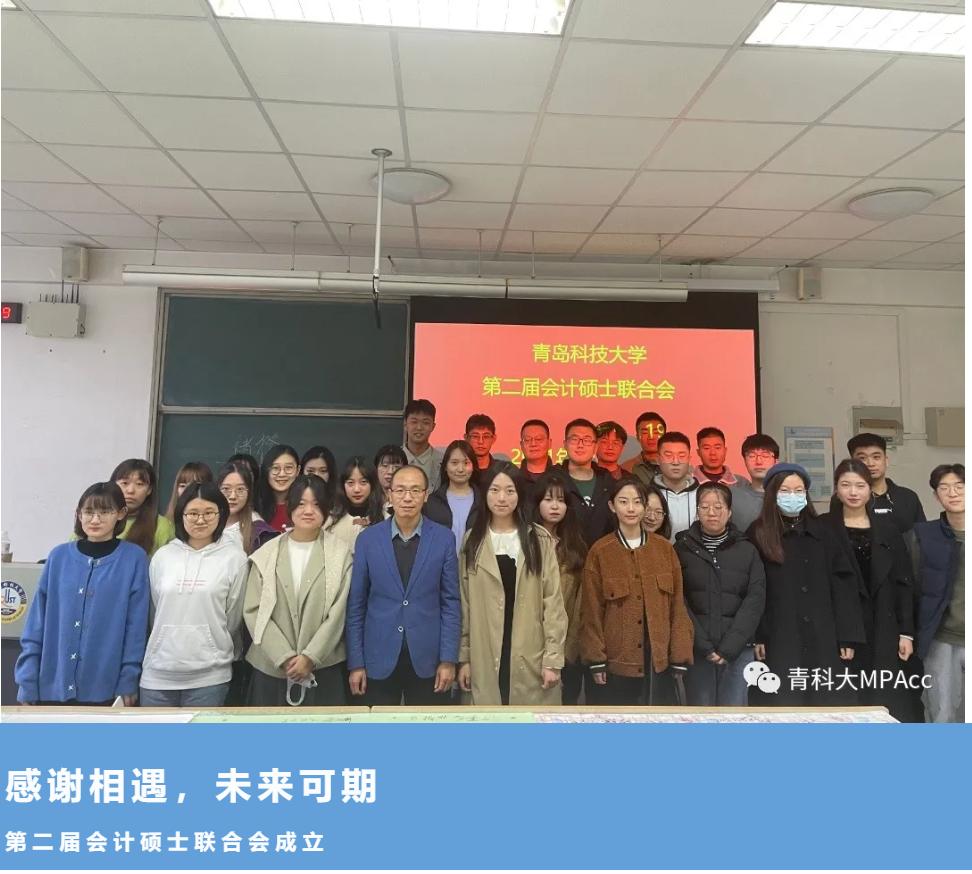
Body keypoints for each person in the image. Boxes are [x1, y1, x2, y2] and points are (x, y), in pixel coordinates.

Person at [16, 482, 149, 705]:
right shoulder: (58, 557)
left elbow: (136, 627)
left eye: (104, 512)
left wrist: (128, 678)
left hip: (106, 687)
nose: (95, 519)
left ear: (120, 513)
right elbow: (36, 624)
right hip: (51, 685)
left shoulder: (134, 559)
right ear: (78, 514)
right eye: (88, 512)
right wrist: (26, 679)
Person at [749, 463, 865, 706]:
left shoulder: (825, 531)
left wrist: (847, 636)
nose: (792, 496)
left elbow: (844, 586)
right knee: (783, 701)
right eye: (785, 491)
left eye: (798, 490)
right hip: (779, 635)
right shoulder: (757, 533)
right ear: (772, 495)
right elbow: (753, 590)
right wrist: (758, 635)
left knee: (826, 702)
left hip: (824, 634)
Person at [346, 465, 460, 705]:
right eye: (400, 490)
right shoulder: (368, 539)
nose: (407, 497)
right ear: (389, 494)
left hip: (428, 659)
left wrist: (448, 660)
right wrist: (356, 663)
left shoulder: (444, 539)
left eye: (415, 490)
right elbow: (356, 604)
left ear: (426, 495)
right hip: (378, 655)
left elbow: (450, 603)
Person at [457, 467, 567, 706]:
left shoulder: (539, 539)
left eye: (509, 491)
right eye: (495, 490)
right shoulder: (472, 540)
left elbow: (553, 603)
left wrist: (552, 659)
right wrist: (465, 658)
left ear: (520, 494)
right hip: (484, 649)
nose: (502, 498)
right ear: (485, 494)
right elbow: (465, 604)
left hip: (531, 649)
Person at [581, 477, 693, 705]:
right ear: (612, 506)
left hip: (658, 661)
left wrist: (679, 655)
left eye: (637, 502)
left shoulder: (664, 549)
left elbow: (677, 606)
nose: (631, 508)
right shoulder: (600, 551)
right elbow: (591, 610)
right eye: (623, 502)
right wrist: (596, 659)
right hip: (617, 662)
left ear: (644, 506)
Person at [819, 459, 916, 720]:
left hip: (883, 624)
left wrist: (906, 632)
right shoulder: (822, 528)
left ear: (870, 489)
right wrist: (842, 634)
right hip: (839, 627)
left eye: (860, 485)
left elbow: (903, 582)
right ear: (836, 488)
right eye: (846, 485)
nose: (853, 492)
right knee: (844, 699)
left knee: (883, 697)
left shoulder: (888, 529)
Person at [244, 475, 352, 706]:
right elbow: (254, 610)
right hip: (270, 667)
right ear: (290, 506)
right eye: (301, 504)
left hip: (323, 666)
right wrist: (284, 656)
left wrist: (310, 657)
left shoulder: (341, 554)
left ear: (327, 508)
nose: (308, 511)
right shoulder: (266, 554)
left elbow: (339, 612)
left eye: (316, 504)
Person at [140, 482, 248, 707]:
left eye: (209, 513)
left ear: (221, 514)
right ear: (181, 515)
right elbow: (155, 611)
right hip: (158, 673)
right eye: (193, 513)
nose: (200, 520)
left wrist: (211, 643)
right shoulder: (163, 556)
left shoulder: (234, 558)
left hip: (210, 675)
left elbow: (233, 617)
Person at [675, 483, 765, 706]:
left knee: (734, 716)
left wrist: (730, 647)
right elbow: (678, 601)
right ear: (697, 511)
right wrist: (703, 645)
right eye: (704, 507)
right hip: (696, 650)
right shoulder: (681, 549)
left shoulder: (747, 550)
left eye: (718, 507)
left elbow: (755, 599)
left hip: (738, 650)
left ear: (730, 512)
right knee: (699, 715)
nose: (712, 512)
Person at [912, 463, 964, 723]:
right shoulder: (923, 535)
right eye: (944, 488)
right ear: (936, 496)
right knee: (941, 712)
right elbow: (912, 587)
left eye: (960, 486)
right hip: (941, 636)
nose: (952, 493)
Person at [531, 469, 587, 705]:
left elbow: (579, 603)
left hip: (566, 648)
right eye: (548, 499)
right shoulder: (525, 542)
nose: (555, 506)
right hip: (529, 645)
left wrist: (569, 651)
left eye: (561, 500)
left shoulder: (576, 547)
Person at [848, 433, 926, 534]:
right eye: (862, 458)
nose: (870, 464)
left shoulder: (908, 497)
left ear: (886, 460)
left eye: (876, 457)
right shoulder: (847, 498)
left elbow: (922, 536)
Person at [423, 440, 482, 556]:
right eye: (454, 463)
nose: (460, 469)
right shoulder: (431, 502)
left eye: (466, 463)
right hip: (440, 564)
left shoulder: (483, 501)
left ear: (473, 466)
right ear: (445, 466)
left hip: (475, 564)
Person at [560, 418, 614, 546]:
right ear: (565, 444)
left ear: (595, 446)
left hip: (602, 556)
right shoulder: (552, 480)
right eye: (574, 439)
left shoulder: (609, 483)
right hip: (562, 556)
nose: (580, 445)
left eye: (587, 440)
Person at [110, 459, 175, 556]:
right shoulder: (98, 519)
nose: (130, 490)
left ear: (149, 490)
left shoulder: (162, 526)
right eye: (125, 483)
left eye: (139, 484)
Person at [216, 461, 277, 555]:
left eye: (240, 489)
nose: (233, 496)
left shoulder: (260, 532)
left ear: (249, 492)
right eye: (226, 489)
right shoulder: (207, 521)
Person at [326, 456, 384, 550]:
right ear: (343, 485)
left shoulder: (385, 518)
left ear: (372, 484)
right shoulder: (331, 519)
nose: (357, 489)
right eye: (350, 483)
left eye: (363, 482)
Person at [652, 432, 699, 540]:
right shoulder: (647, 494)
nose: (675, 462)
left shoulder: (702, 495)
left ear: (689, 459)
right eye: (668, 455)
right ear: (658, 459)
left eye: (681, 456)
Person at [730, 434, 780, 534]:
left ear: (776, 462)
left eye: (765, 455)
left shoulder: (786, 496)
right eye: (752, 456)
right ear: (744, 461)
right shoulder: (732, 496)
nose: (758, 461)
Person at [254, 444, 301, 533]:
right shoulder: (254, 507)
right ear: (266, 470)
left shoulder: (305, 506)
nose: (282, 474)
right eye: (275, 468)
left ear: (298, 471)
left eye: (288, 468)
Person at [402, 399, 444, 492]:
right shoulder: (394, 460)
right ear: (405, 424)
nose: (419, 427)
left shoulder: (443, 462)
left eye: (425, 423)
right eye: (414, 422)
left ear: (433, 426)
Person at [622, 411, 666, 485]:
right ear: (637, 437)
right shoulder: (627, 468)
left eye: (656, 432)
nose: (651, 437)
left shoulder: (677, 466)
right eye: (645, 433)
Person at [518, 418, 555, 486]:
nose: (533, 444)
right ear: (521, 445)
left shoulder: (562, 478)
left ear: (549, 443)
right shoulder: (512, 480)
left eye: (539, 439)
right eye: (527, 440)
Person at [374, 444, 408, 515]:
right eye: (385, 466)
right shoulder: (367, 498)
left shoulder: (409, 500)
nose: (390, 472)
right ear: (376, 469)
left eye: (397, 467)